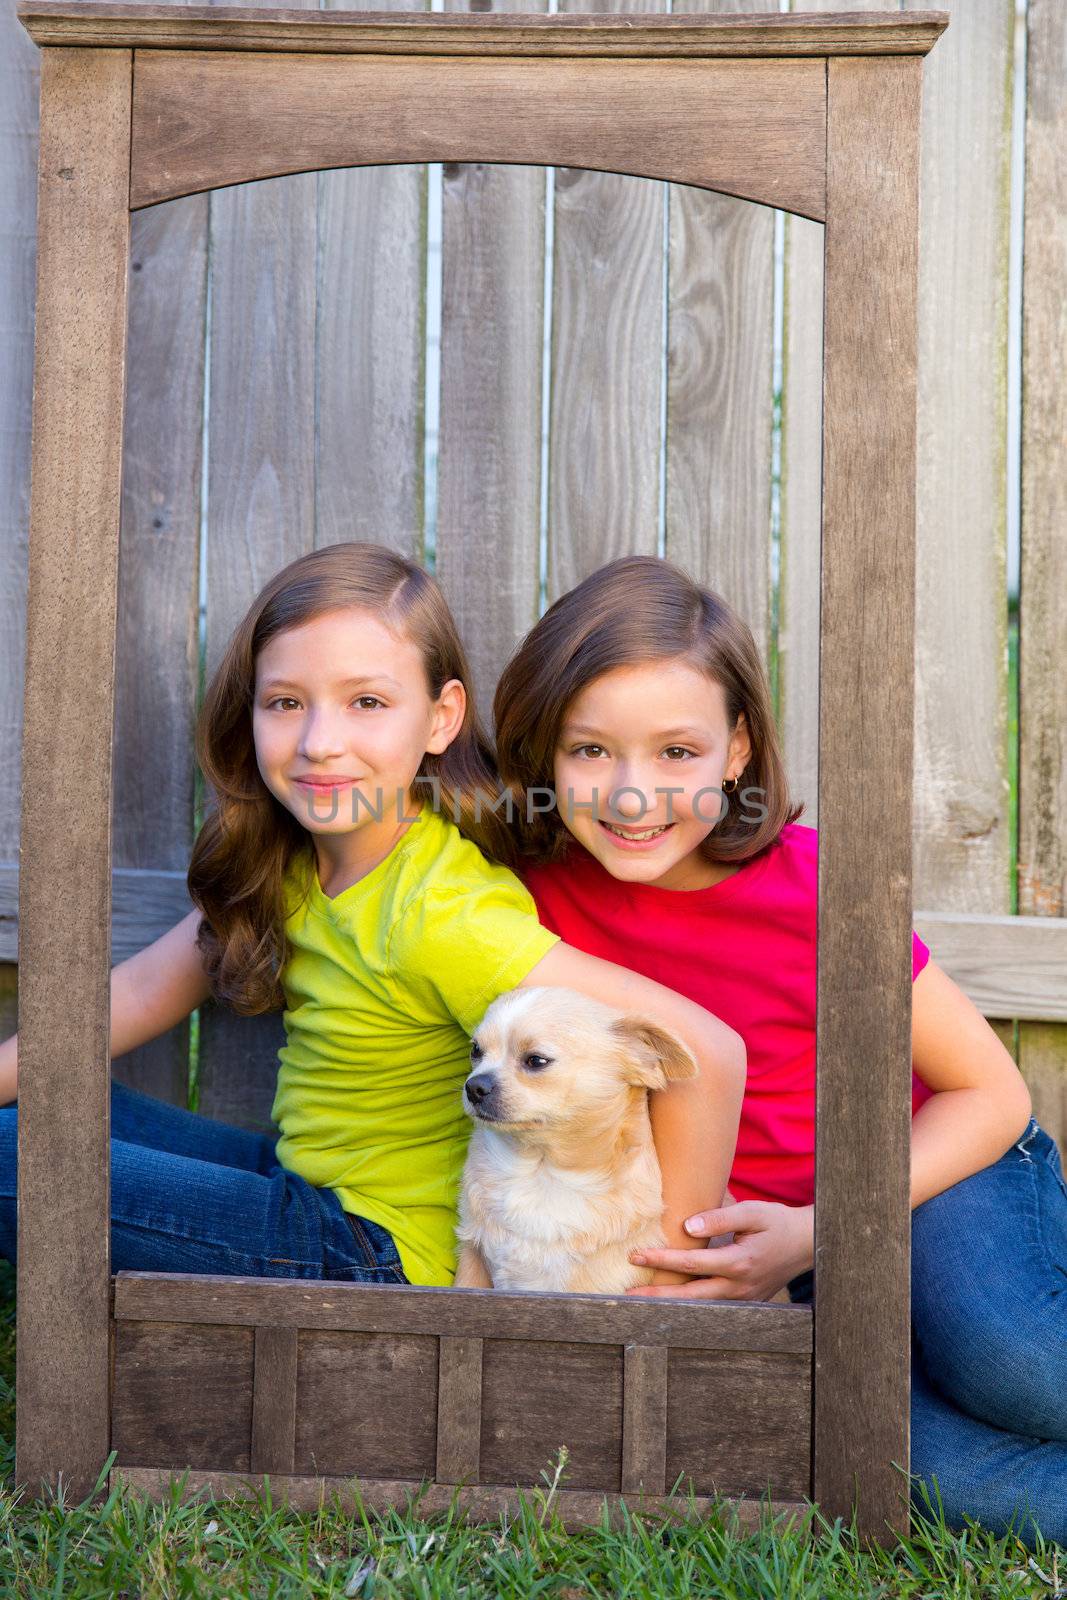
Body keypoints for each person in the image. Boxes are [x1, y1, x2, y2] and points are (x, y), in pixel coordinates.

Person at [493, 552, 1067, 1549]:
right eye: (590, 751)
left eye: (676, 752)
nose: (631, 796)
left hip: (927, 1171)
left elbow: (988, 1092)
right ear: (543, 752)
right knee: (900, 1460)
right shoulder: (521, 902)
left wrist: (820, 1226)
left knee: (1007, 1357)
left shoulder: (807, 888)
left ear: (737, 748)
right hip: (768, 1258)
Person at [0, 542, 745, 1289]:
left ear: (440, 718)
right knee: (48, 1106)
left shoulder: (443, 911)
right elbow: (133, 995)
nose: (322, 743)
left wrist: (666, 1284)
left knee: (8, 1154)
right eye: (286, 703)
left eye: (366, 703)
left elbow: (707, 1052)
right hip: (300, 1187)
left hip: (377, 1248)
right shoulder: (294, 860)